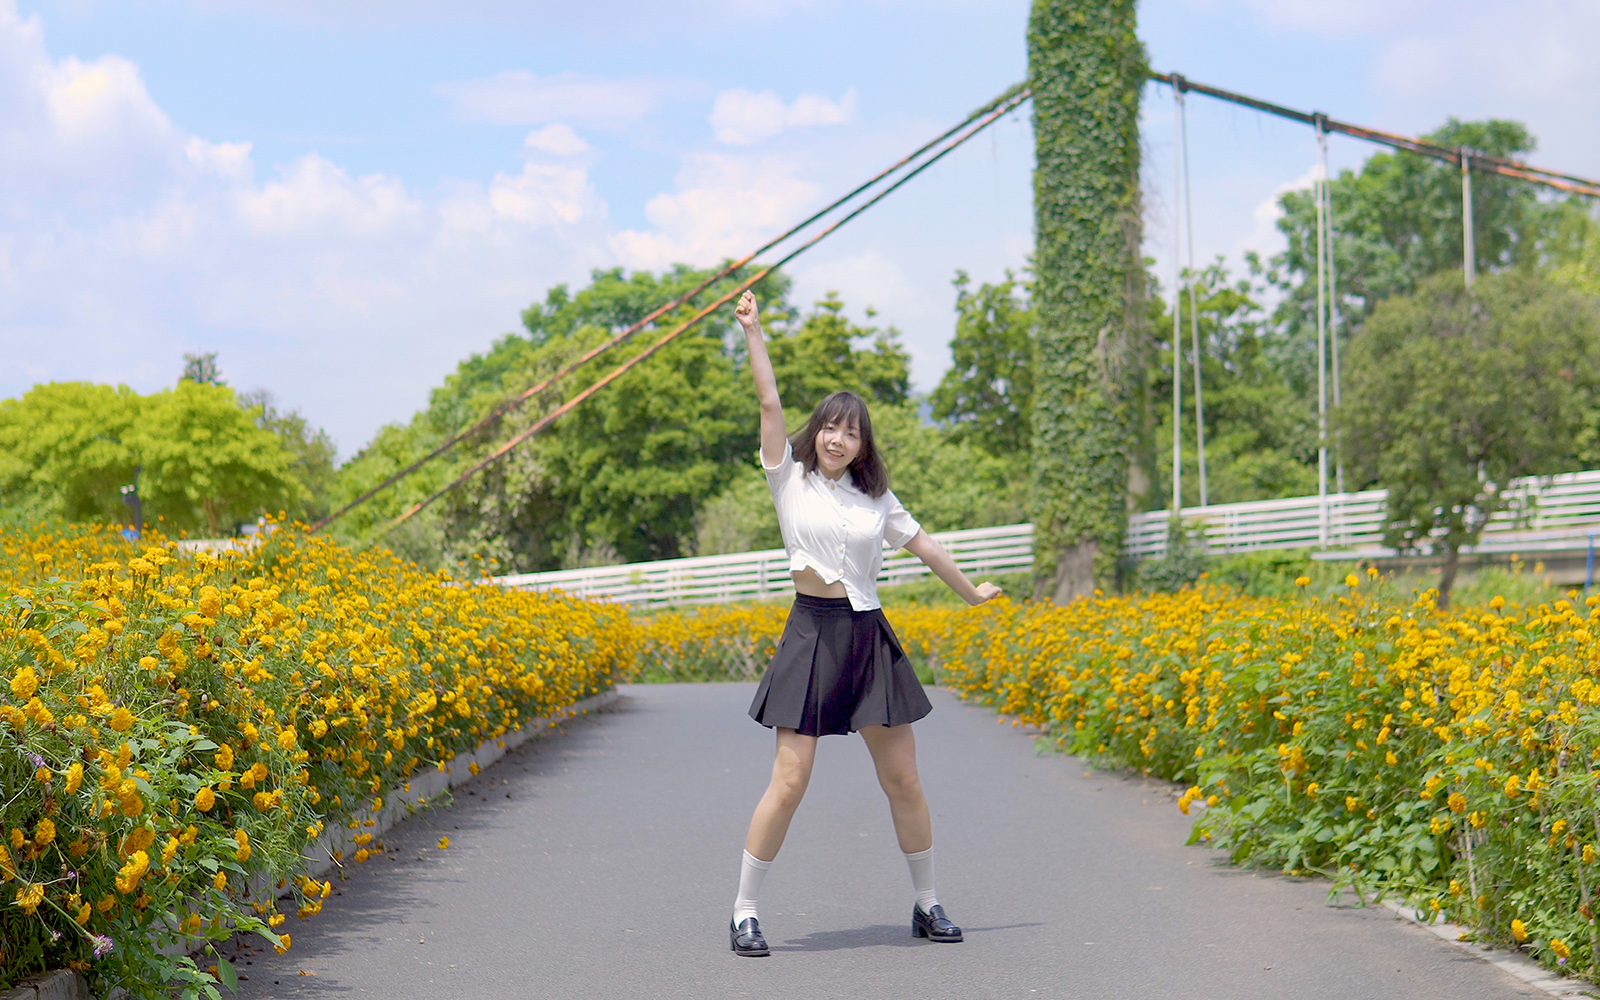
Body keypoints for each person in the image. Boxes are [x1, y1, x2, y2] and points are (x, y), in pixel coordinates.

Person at [728, 289, 1003, 958]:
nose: (837, 438)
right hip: (811, 634)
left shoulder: (875, 495)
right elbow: (769, 404)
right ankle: (744, 910)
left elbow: (927, 545)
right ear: (816, 430)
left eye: (850, 431)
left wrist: (970, 593)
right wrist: (753, 331)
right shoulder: (787, 477)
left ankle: (927, 901)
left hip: (867, 636)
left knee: (903, 779)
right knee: (790, 781)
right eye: (830, 426)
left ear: (861, 443)